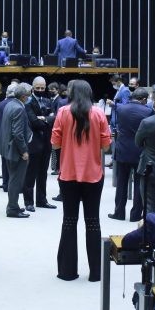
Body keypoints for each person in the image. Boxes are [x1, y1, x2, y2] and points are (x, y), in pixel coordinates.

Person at [50, 79, 112, 281]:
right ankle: (96, 272)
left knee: (69, 221)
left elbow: (55, 143)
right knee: (93, 222)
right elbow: (106, 146)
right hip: (93, 175)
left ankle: (67, 271)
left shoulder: (63, 112)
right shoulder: (99, 113)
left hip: (68, 174)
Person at [109, 87, 152, 221]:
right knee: (139, 183)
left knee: (121, 182)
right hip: (140, 151)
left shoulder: (120, 108)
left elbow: (115, 125)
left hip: (123, 150)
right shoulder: (149, 111)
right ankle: (135, 215)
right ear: (144, 99)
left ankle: (119, 213)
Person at [0, 82, 33, 218]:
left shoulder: (9, 104)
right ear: (24, 96)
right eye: (29, 95)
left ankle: (14, 205)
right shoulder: (19, 109)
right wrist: (24, 151)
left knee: (13, 178)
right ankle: (12, 208)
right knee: (16, 180)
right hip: (16, 151)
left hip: (8, 149)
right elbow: (18, 133)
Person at [23, 76, 55, 211]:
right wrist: (47, 119)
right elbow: (34, 122)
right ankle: (28, 202)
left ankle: (42, 200)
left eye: (42, 88)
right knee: (30, 174)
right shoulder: (28, 103)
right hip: (34, 143)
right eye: (38, 88)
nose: (40, 90)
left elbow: (55, 118)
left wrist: (45, 119)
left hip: (47, 142)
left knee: (43, 174)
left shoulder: (48, 100)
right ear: (33, 88)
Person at [0, 82, 18, 192]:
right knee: (15, 162)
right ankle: (14, 184)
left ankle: (5, 183)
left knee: (4, 161)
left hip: (1, 137)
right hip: (14, 136)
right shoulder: (19, 105)